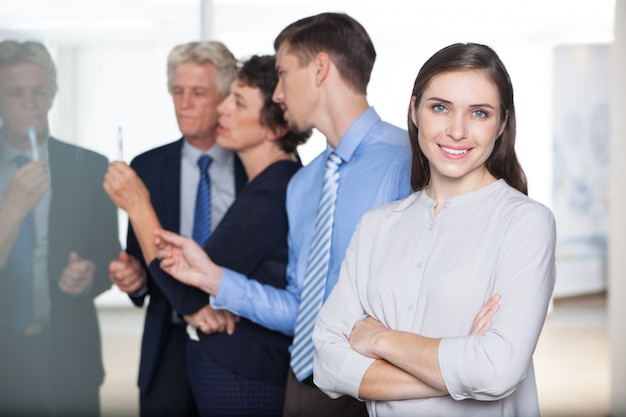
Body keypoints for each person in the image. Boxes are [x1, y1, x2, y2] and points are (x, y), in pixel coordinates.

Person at [154, 12, 413, 417]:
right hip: (304, 384)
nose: (277, 94)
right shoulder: (304, 185)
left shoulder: (409, 161)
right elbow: (299, 307)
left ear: (320, 69)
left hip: (380, 386)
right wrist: (212, 277)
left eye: (283, 73)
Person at [312, 42, 557, 417]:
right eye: (439, 107)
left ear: (503, 123)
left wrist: (379, 340)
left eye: (479, 113)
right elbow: (327, 364)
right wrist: (459, 367)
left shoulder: (525, 222)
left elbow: (497, 371)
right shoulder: (376, 225)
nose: (456, 131)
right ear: (414, 111)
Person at [146, 54, 311, 416]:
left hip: (244, 374)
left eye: (237, 102)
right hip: (240, 368)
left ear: (276, 126)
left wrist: (137, 203)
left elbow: (189, 287)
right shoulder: (270, 185)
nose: (222, 109)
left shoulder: (271, 194)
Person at [104, 41, 246, 417]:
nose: (183, 103)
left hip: (239, 341)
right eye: (177, 92)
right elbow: (141, 256)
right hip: (167, 345)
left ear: (226, 97)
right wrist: (134, 277)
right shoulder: (147, 167)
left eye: (198, 93)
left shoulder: (256, 166)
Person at [0, 40, 121, 417]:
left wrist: (89, 275)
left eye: (39, 92)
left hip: (70, 354)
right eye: (14, 93)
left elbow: (109, 255)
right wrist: (13, 209)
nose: (29, 103)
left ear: (53, 94)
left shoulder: (89, 166)